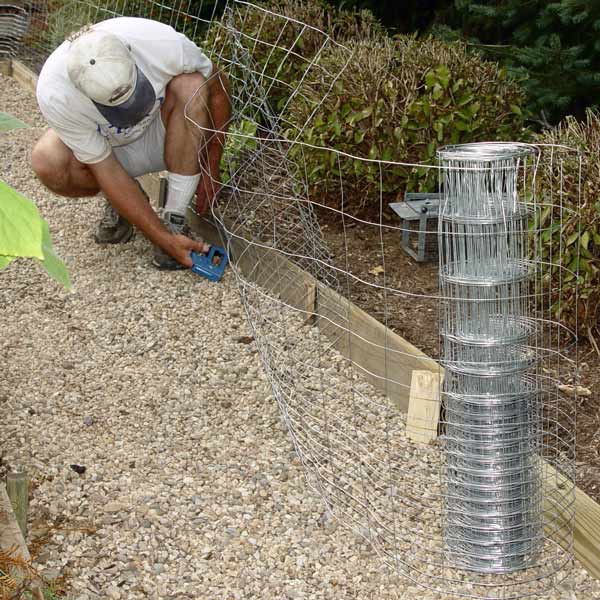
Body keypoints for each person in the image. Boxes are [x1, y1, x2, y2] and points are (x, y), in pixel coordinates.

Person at [31, 16, 231, 270]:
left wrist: (212, 165)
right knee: (47, 161)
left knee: (192, 86)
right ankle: (129, 203)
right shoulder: (55, 94)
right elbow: (105, 168)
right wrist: (160, 239)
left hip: (172, 134)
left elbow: (218, 88)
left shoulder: (160, 42)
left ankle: (175, 219)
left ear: (130, 54)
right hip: (110, 152)